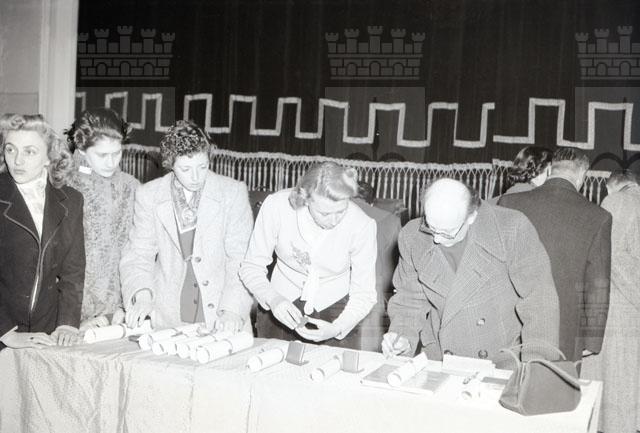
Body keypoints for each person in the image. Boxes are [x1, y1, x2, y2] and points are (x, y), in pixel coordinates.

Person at [383, 178, 559, 366]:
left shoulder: (511, 228)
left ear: (471, 216)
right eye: (430, 227)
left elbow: (539, 300)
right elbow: (409, 300)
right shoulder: (412, 236)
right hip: (441, 358)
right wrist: (401, 336)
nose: (436, 239)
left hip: (501, 360)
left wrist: (537, 364)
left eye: (447, 232)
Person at [120, 120, 254, 331]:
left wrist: (233, 309)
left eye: (203, 166)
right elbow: (138, 254)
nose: (196, 177)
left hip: (223, 312)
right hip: (169, 316)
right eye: (185, 169)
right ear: (170, 164)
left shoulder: (232, 193)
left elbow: (241, 258)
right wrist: (142, 294)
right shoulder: (149, 195)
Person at [240, 162, 377, 349]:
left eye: (341, 211)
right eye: (324, 213)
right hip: (279, 301)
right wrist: (273, 299)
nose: (334, 221)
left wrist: (337, 328)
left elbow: (364, 294)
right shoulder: (277, 206)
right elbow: (251, 267)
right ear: (305, 197)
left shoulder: (362, 225)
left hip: (338, 308)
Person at [499, 148, 612, 361]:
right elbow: (597, 283)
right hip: (564, 331)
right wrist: (591, 340)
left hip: (509, 324)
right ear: (582, 175)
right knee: (553, 382)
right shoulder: (598, 216)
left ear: (550, 169)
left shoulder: (509, 203)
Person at [0, 114, 85, 349]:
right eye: (10, 149)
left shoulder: (71, 200)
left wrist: (67, 323)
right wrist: (6, 332)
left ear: (49, 156)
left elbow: (73, 270)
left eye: (29, 152)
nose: (17, 160)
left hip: (46, 332)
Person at [66, 108, 140, 330]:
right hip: (72, 310)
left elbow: (138, 252)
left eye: (117, 153)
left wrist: (126, 305)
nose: (111, 163)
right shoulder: (64, 185)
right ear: (81, 148)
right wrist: (70, 318)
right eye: (102, 155)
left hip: (119, 309)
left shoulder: (132, 187)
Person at [582, 170, 640, 433]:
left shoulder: (617, 201)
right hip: (629, 310)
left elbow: (609, 254)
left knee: (615, 394)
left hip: (619, 311)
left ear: (609, 187)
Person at [352, 181, 401, 351]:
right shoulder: (392, 220)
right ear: (372, 202)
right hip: (373, 285)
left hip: (337, 285)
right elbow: (395, 262)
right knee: (368, 343)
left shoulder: (336, 213)